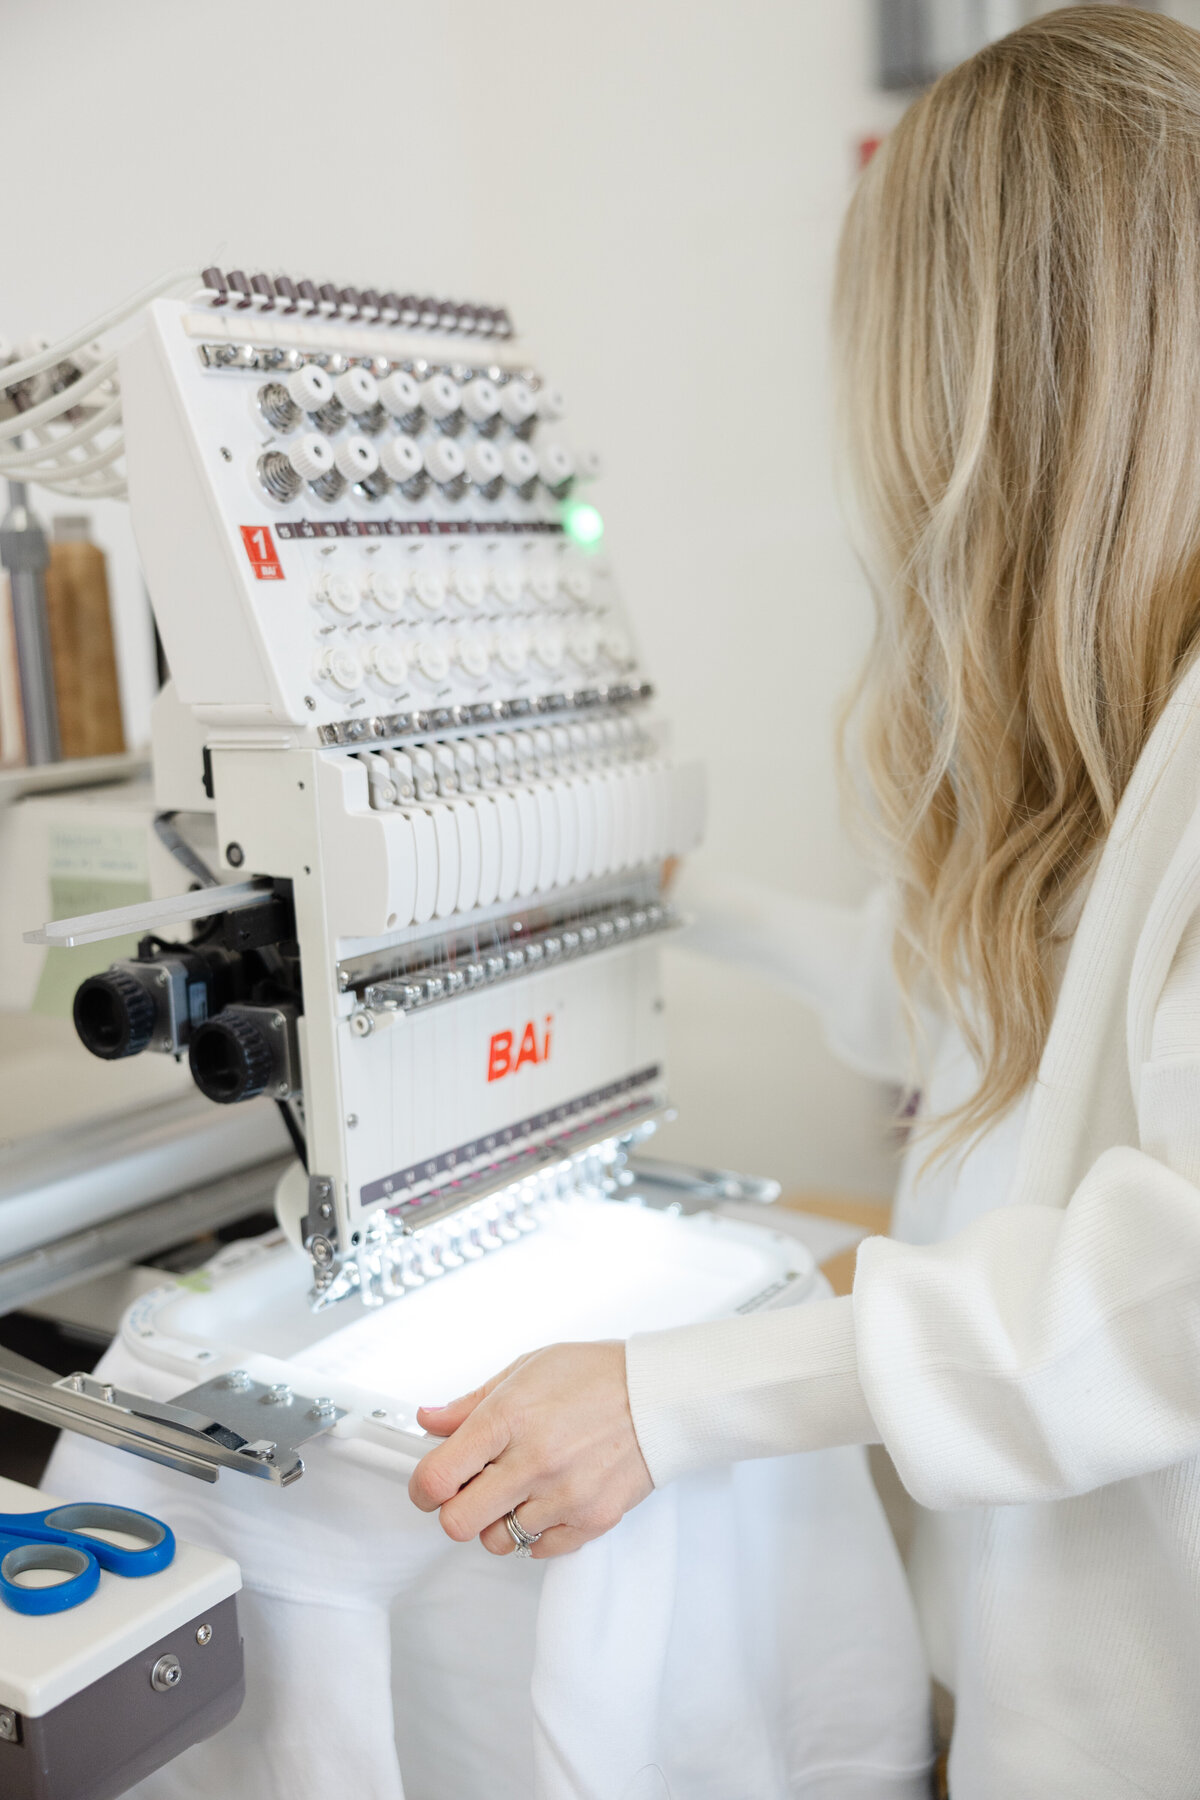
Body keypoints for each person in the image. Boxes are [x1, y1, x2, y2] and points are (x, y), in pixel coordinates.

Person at [409, 10, 1200, 1794]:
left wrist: (670, 1396)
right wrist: (671, 898)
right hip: (1024, 1686)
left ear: (992, 380)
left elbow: (1176, 1288)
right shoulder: (1130, 726)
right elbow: (969, 1011)